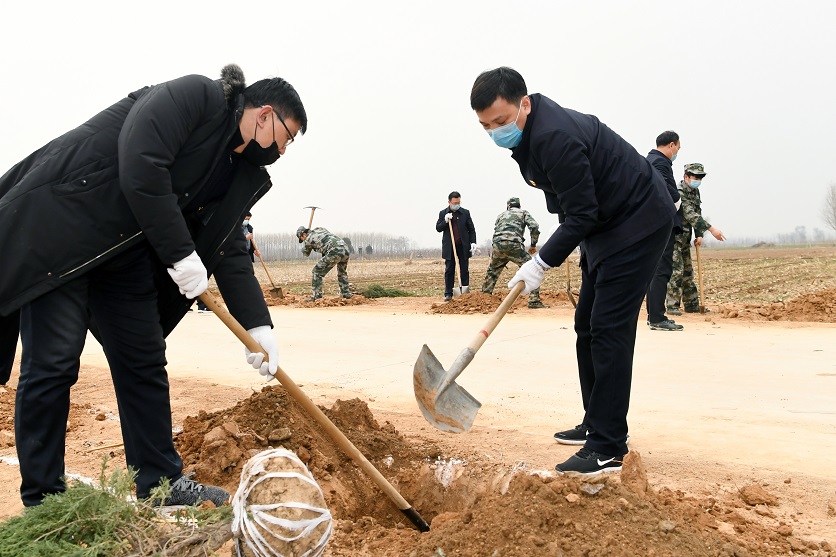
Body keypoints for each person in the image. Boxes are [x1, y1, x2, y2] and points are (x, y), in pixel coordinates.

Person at [0, 64, 307, 507]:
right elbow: (141, 160)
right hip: (64, 236)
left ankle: (160, 484)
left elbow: (230, 249)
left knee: (142, 359)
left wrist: (258, 326)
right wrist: (181, 255)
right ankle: (44, 499)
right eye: (286, 136)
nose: (283, 149)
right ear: (263, 115)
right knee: (53, 363)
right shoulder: (195, 97)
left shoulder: (235, 170)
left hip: (124, 255)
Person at [470, 66, 675, 475]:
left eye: (501, 121)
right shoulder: (531, 135)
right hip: (606, 226)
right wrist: (571, 247)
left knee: (609, 328)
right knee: (587, 323)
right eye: (485, 125)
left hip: (638, 221)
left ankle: (608, 446)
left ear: (523, 104)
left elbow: (581, 212)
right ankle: (596, 421)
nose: (495, 131)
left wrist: (541, 262)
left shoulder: (553, 137)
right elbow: (570, 204)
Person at [666, 163, 726, 314]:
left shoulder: (695, 191)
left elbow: (698, 211)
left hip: (686, 238)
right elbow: (690, 214)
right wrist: (711, 229)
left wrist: (699, 234)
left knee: (688, 271)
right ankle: (672, 306)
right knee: (677, 271)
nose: (698, 180)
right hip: (674, 237)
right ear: (686, 176)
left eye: (700, 177)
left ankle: (691, 305)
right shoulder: (679, 191)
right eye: (695, 177)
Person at [645, 131, 684, 331]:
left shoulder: (651, 159)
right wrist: (677, 203)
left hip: (653, 222)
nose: (677, 151)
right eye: (678, 147)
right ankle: (657, 317)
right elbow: (664, 188)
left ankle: (653, 315)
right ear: (671, 145)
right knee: (662, 269)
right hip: (661, 221)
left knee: (654, 269)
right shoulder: (659, 162)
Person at [482, 197, 548, 309]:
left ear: (508, 206)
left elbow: (497, 230)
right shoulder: (523, 213)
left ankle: (484, 299)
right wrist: (533, 244)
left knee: (492, 272)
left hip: (498, 245)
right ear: (519, 206)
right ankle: (534, 301)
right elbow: (534, 226)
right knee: (534, 268)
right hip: (514, 245)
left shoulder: (501, 215)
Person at [435, 191, 477, 301]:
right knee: (449, 269)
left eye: (458, 202)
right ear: (449, 202)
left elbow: (471, 229)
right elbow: (438, 228)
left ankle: (465, 292)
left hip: (463, 246)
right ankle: (448, 293)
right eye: (454, 203)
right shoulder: (443, 213)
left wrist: (473, 242)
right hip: (450, 247)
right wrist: (445, 221)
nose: (457, 205)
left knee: (464, 269)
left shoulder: (465, 213)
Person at [296, 226, 351, 301]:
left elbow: (306, 254)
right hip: (345, 248)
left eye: (301, 238)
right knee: (342, 272)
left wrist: (304, 247)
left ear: (304, 235)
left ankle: (317, 297)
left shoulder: (308, 240)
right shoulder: (319, 229)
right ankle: (346, 295)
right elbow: (324, 239)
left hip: (334, 251)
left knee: (316, 272)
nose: (303, 240)